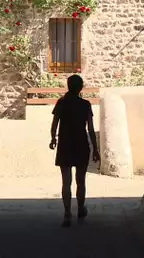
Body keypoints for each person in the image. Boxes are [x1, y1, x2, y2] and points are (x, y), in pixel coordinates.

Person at [49, 74, 100, 227]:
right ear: (81, 87)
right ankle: (80, 208)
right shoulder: (85, 105)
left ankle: (66, 213)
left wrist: (53, 139)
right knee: (81, 181)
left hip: (65, 144)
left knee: (66, 181)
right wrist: (95, 148)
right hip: (81, 144)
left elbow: (54, 124)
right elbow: (90, 128)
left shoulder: (61, 103)